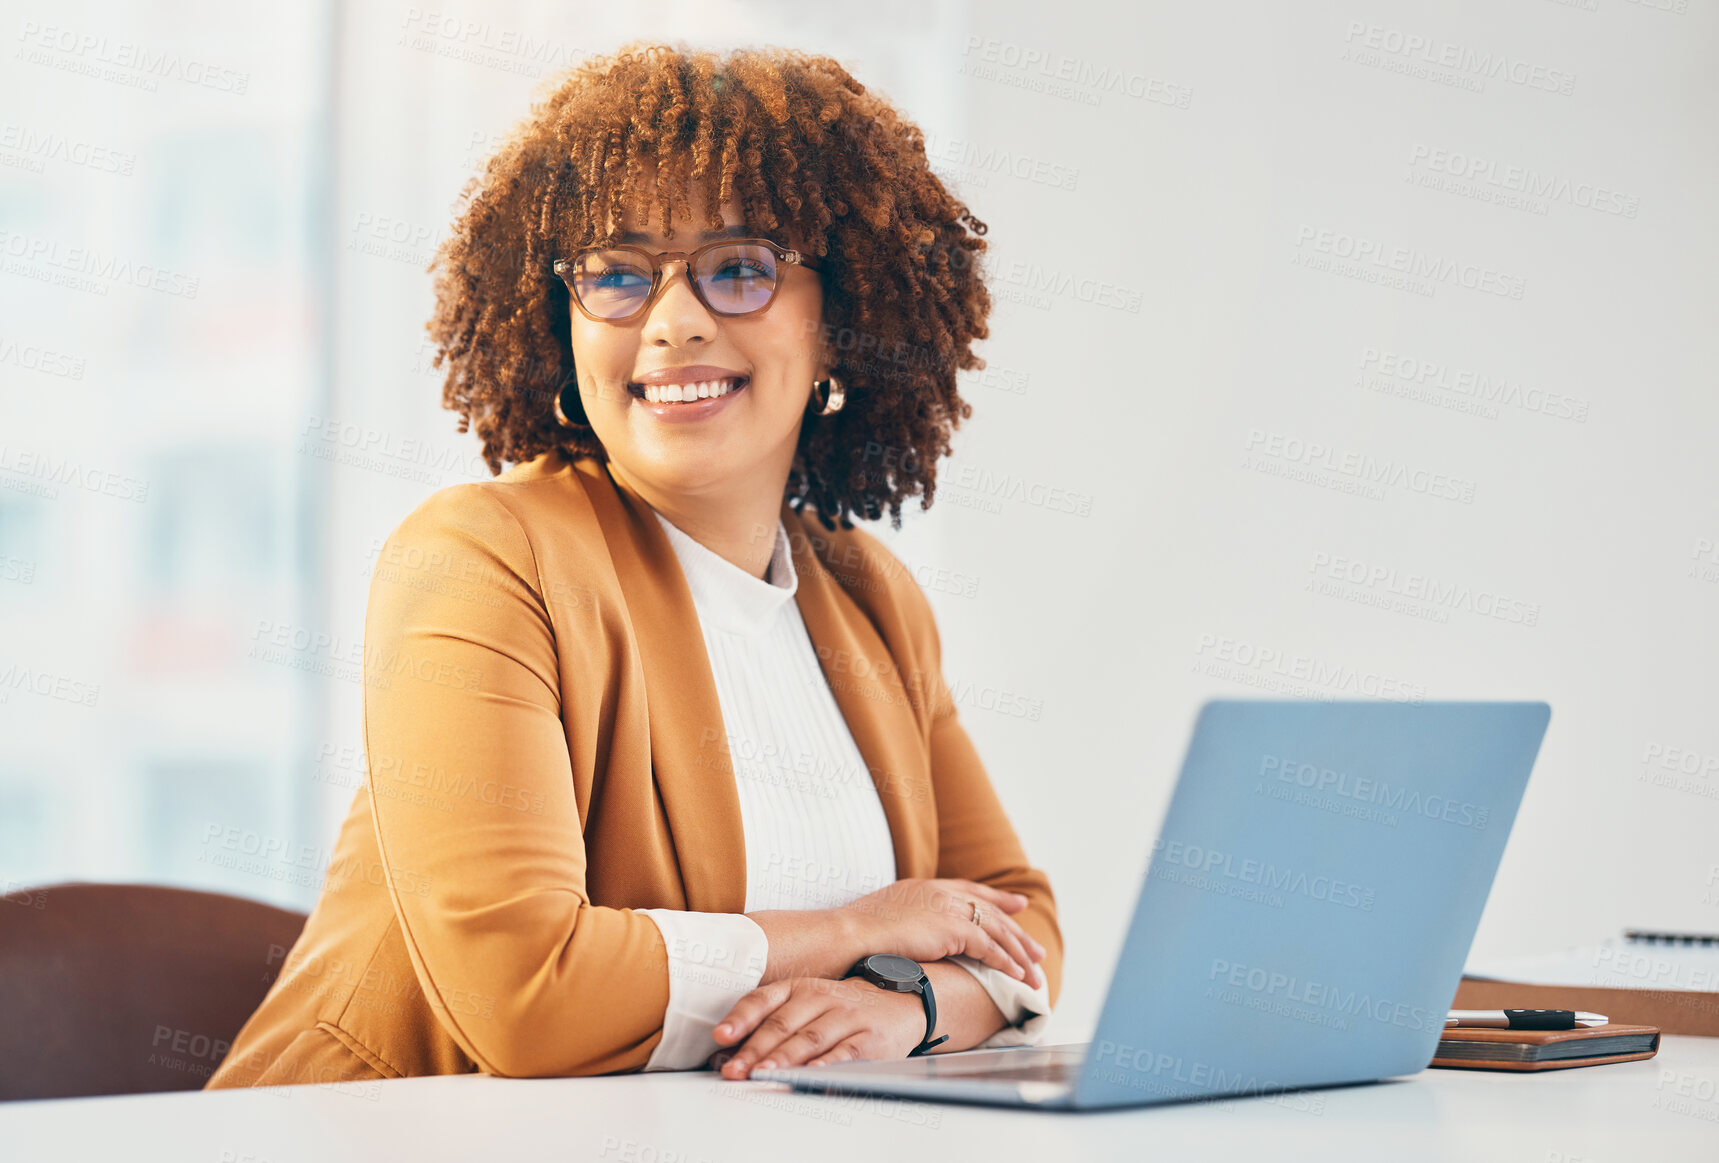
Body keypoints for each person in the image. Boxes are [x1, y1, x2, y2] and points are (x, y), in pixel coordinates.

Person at [206, 42, 1061, 1089]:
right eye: (617, 275)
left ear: (842, 321)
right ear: (561, 326)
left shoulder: (870, 597)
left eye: (740, 267)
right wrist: (851, 927)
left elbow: (1020, 920)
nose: (674, 321)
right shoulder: (481, 562)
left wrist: (906, 1007)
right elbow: (529, 993)